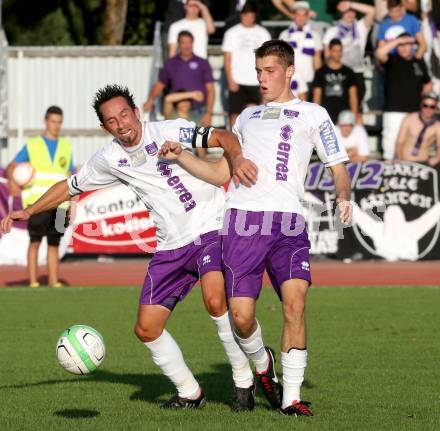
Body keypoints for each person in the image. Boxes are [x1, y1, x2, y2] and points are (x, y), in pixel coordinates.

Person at [1, 85, 259, 412]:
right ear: (104, 127)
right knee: (146, 328)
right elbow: (68, 186)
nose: (121, 123)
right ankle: (191, 392)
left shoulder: (168, 128)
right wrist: (30, 209)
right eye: (111, 120)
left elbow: (221, 137)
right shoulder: (108, 158)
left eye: (124, 114)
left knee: (215, 299)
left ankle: (243, 381)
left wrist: (235, 159)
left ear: (136, 112)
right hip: (170, 245)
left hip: (209, 225)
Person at [162, 39, 352, 416]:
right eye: (258, 72)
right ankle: (262, 362)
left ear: (289, 71)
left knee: (295, 306)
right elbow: (221, 173)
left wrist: (343, 196)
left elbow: (338, 167)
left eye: (270, 71)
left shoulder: (314, 114)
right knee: (242, 317)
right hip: (242, 222)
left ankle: (292, 398)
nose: (262, 79)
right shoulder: (245, 118)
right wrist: (182, 157)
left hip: (288, 224)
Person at [6, 106, 73, 288]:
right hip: (38, 203)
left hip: (60, 206)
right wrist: (13, 184)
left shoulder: (66, 146)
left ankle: (53, 282)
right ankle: (33, 282)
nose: (56, 125)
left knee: (54, 244)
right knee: (35, 241)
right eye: (53, 121)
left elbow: (70, 175)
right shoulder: (33, 144)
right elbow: (11, 166)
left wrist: (72, 203)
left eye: (59, 122)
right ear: (45, 121)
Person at [376, 33, 432, 160]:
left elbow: (428, 84)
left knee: (411, 146)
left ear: (412, 45)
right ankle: (389, 173)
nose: (404, 48)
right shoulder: (391, 59)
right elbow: (379, 53)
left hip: (414, 112)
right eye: (401, 45)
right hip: (394, 111)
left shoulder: (418, 62)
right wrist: (398, 40)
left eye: (407, 44)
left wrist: (423, 102)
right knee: (390, 148)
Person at [144, 31, 215, 128]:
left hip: (199, 110)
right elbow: (160, 84)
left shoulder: (202, 63)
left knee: (200, 142)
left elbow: (211, 89)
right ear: (178, 44)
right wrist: (150, 100)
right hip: (177, 111)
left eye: (189, 42)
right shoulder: (170, 63)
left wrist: (209, 112)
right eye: (183, 42)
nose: (187, 46)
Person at [222, 1, 271, 127]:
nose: (249, 18)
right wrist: (230, 80)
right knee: (235, 114)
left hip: (258, 80)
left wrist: (266, 79)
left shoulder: (263, 33)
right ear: (241, 15)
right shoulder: (231, 33)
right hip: (237, 81)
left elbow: (269, 58)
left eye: (252, 15)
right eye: (246, 14)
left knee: (261, 113)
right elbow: (227, 58)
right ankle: (235, 144)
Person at [323, 1, 375, 108]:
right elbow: (327, 55)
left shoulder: (361, 27)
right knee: (340, 106)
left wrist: (350, 4)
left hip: (357, 72)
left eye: (352, 11)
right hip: (340, 74)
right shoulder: (332, 30)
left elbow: (372, 11)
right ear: (341, 13)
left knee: (357, 105)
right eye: (347, 11)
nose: (350, 14)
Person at [279, 1, 323, 98]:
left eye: (304, 15)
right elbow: (280, 60)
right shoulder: (284, 35)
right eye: (298, 14)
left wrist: (318, 81)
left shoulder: (315, 36)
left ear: (307, 17)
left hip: (308, 78)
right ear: (293, 15)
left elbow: (317, 60)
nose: (301, 18)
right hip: (289, 79)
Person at [312, 38, 359, 124]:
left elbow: (353, 97)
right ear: (329, 51)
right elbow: (316, 97)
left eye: (339, 51)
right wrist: (316, 118)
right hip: (326, 117)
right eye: (335, 51)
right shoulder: (320, 72)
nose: (338, 54)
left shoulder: (349, 72)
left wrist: (354, 117)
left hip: (345, 119)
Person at [395, 92, 440, 164]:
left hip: (423, 164)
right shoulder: (409, 119)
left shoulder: (437, 126)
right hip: (405, 161)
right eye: (425, 106)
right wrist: (401, 160)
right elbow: (399, 142)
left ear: (435, 108)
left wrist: (437, 157)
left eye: (432, 107)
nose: (428, 109)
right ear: (421, 105)